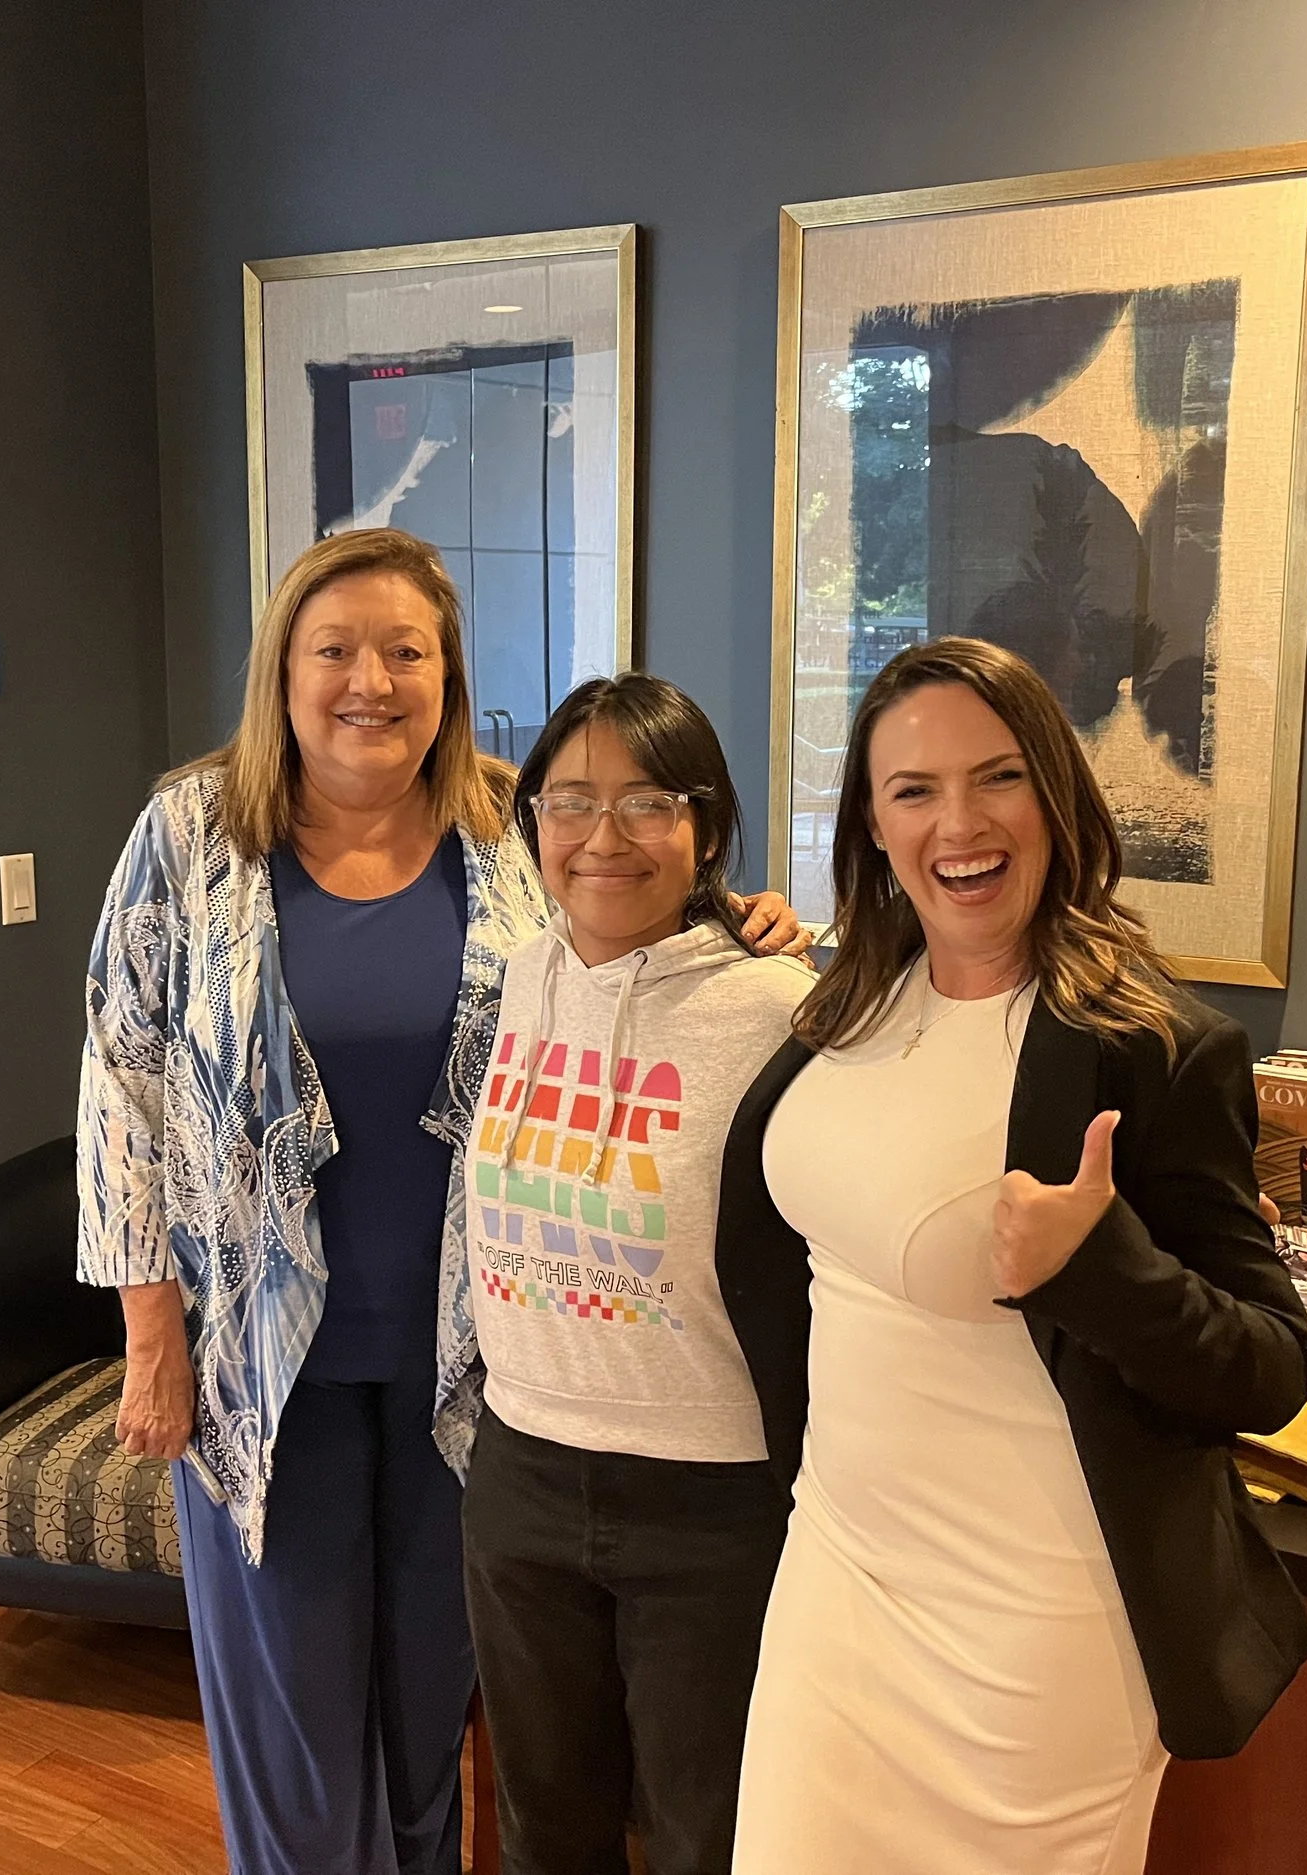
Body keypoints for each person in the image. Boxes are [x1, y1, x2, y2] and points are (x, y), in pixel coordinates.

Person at [74, 529, 800, 1875]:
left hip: (476, 1364)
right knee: (297, 1731)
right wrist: (150, 1335)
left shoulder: (509, 822)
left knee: (428, 1706)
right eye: (335, 649)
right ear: (283, 671)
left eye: (406, 651)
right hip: (261, 1359)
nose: (372, 681)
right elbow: (123, 1083)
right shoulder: (192, 831)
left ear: (449, 676)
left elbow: (622, 937)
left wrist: (738, 920)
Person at [717, 635, 1307, 1875]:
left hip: (1035, 1634)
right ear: (872, 825)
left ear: (1054, 792)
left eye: (996, 777)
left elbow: (1269, 1370)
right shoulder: (844, 1004)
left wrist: (1105, 1268)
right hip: (837, 1580)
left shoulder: (1153, 1047)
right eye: (914, 790)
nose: (959, 825)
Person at [459, 675, 809, 1875]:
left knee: (710, 1836)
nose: (603, 836)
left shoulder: (780, 1010)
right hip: (520, 1468)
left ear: (705, 827)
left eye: (648, 801)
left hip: (709, 1496)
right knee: (543, 1831)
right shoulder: (518, 977)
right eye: (570, 801)